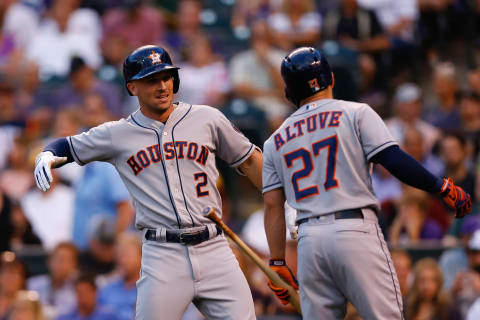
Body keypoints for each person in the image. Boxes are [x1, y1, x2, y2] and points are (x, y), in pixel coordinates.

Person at [33, 45, 262, 320]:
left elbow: (249, 160)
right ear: (132, 87)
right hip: (163, 254)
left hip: (213, 245)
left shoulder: (207, 118)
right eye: (152, 80)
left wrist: (283, 203)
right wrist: (46, 156)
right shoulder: (118, 134)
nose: (162, 85)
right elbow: (66, 146)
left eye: (166, 77)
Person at [262, 47, 472, 319]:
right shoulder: (355, 112)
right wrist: (440, 186)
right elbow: (393, 159)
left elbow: (272, 204)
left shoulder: (274, 140)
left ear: (289, 92)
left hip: (309, 241)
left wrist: (277, 260)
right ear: (331, 79)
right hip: (354, 229)